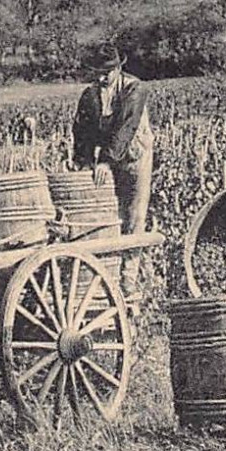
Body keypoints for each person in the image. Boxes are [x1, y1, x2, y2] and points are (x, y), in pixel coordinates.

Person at [72, 46, 153, 296]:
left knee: (133, 216)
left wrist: (105, 161)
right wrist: (84, 161)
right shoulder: (90, 95)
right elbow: (82, 131)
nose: (101, 78)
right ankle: (107, 273)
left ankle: (128, 279)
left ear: (118, 69)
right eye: (97, 72)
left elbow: (125, 128)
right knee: (107, 214)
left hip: (134, 158)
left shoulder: (134, 89)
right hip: (107, 160)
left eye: (106, 73)